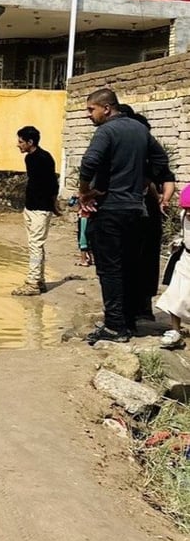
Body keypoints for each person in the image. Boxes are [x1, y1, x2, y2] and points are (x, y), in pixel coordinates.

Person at [78, 88, 172, 345]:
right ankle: (127, 321)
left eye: (91, 109)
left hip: (111, 210)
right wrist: (143, 181)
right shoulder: (140, 129)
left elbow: (89, 162)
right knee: (129, 266)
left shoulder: (106, 131)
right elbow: (161, 160)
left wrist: (84, 192)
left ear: (107, 108)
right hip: (136, 211)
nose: (88, 115)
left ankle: (114, 326)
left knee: (110, 269)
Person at [118, 105, 177, 322]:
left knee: (143, 259)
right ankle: (130, 308)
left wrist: (164, 198)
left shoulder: (146, 154)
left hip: (143, 214)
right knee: (134, 260)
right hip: (133, 212)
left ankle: (139, 308)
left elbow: (166, 178)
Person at [12, 125, 61, 296]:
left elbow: (52, 184)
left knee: (35, 245)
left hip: (41, 209)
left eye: (21, 142)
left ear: (30, 142)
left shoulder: (42, 158)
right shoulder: (31, 158)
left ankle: (33, 283)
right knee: (36, 245)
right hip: (32, 207)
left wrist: (53, 205)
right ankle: (39, 280)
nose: (18, 145)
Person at [154, 186, 190, 349]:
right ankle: (175, 330)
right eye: (186, 209)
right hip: (185, 259)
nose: (188, 213)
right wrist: (178, 242)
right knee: (175, 293)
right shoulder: (184, 216)